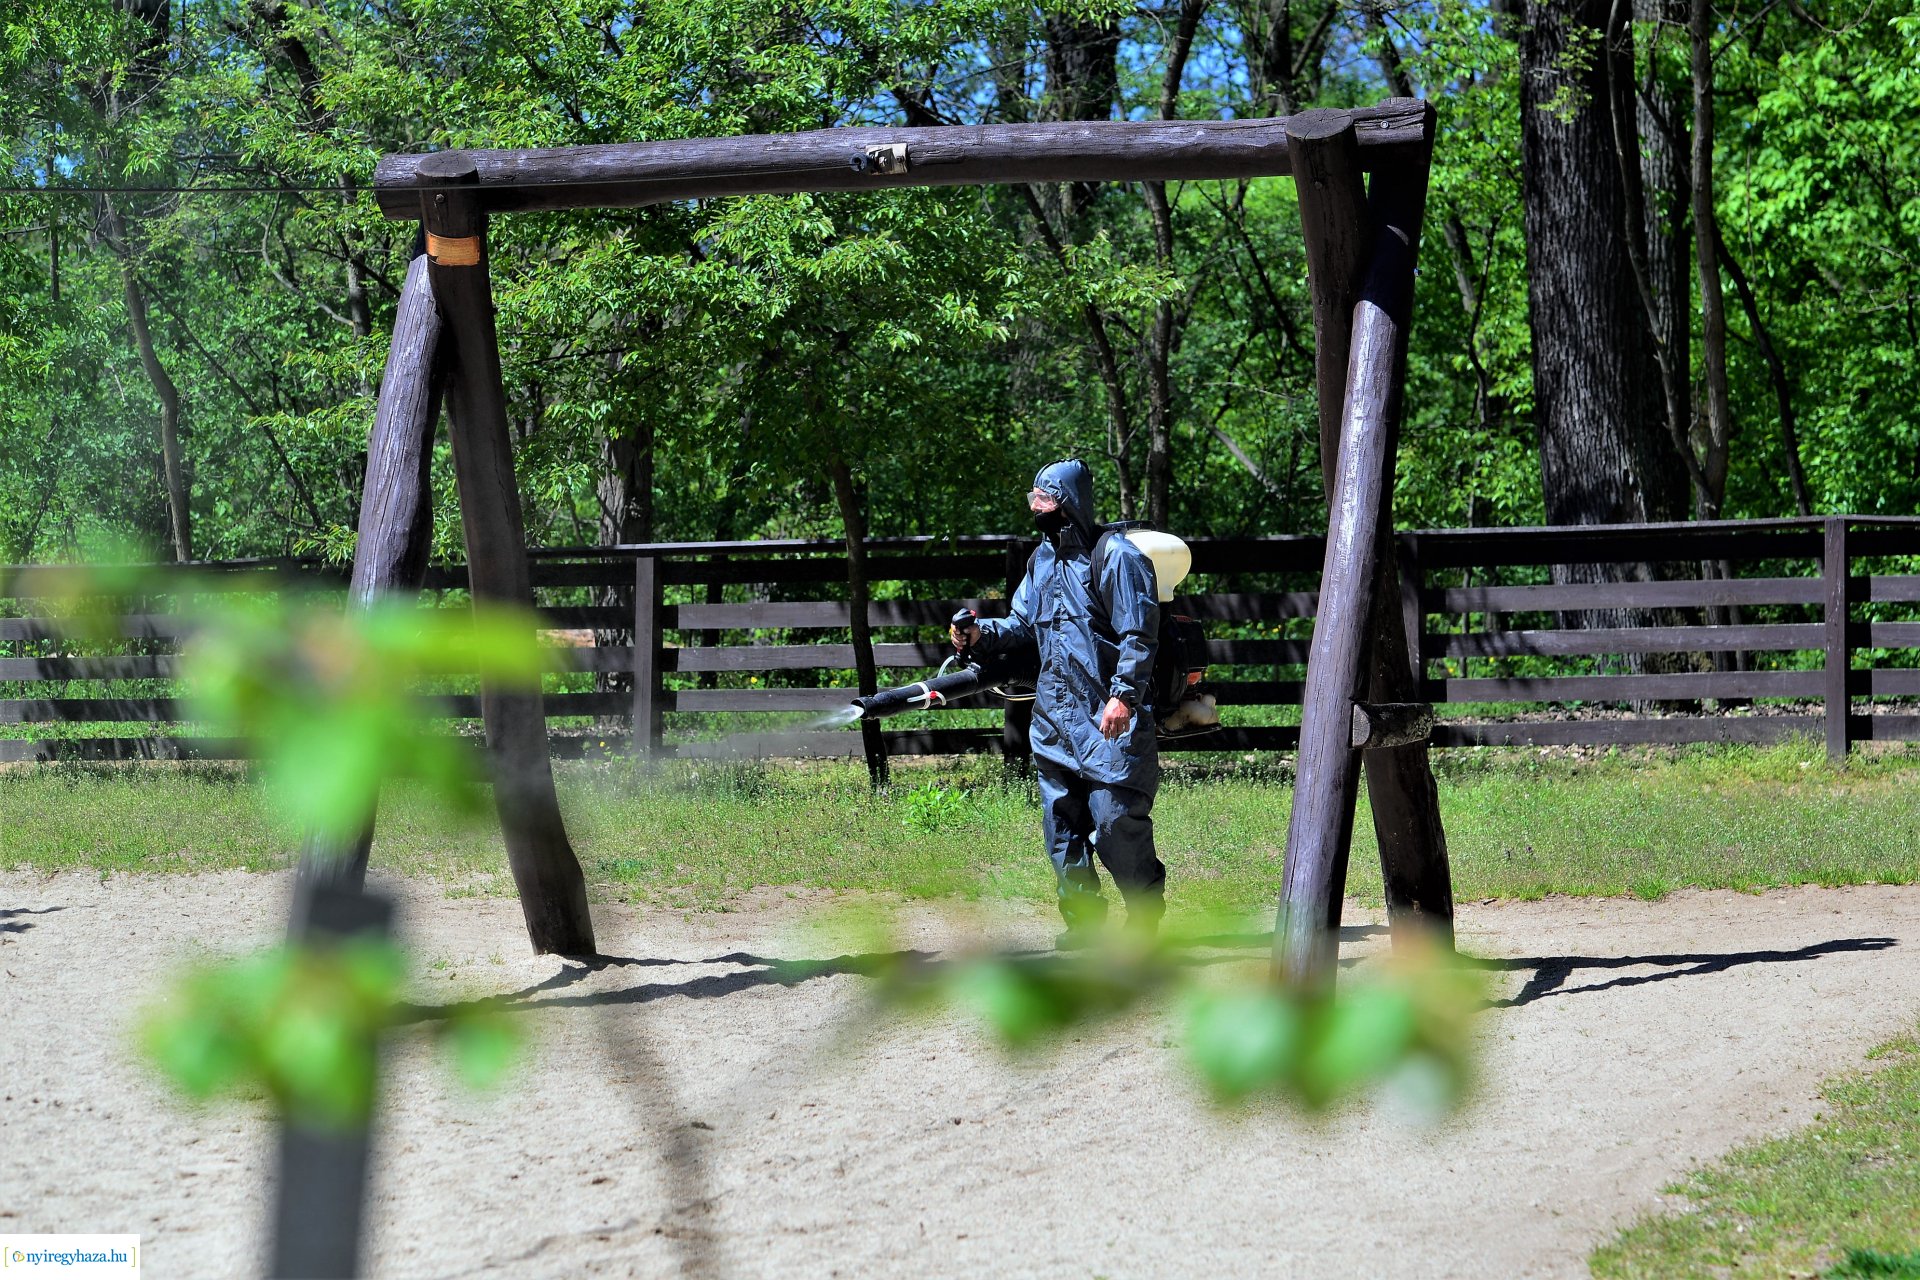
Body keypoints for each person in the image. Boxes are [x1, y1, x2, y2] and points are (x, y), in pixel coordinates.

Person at [951, 459, 1165, 947]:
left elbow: (1138, 634)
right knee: (1062, 828)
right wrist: (981, 634)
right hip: (1052, 720)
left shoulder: (1114, 557)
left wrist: (1123, 696)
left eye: (1042, 499)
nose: (1034, 508)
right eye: (1032, 499)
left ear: (1066, 501)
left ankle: (1146, 915)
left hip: (1108, 717)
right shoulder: (1041, 561)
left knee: (1114, 823)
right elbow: (1023, 625)